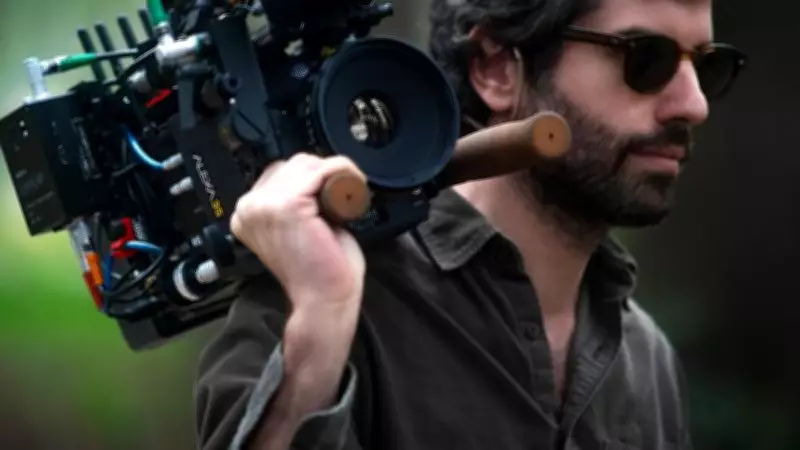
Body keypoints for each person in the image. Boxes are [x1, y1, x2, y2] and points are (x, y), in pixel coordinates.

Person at [194, 0, 746, 448]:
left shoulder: (647, 360)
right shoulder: (319, 303)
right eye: (646, 59)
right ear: (495, 68)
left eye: (707, 66)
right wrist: (319, 326)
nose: (693, 104)